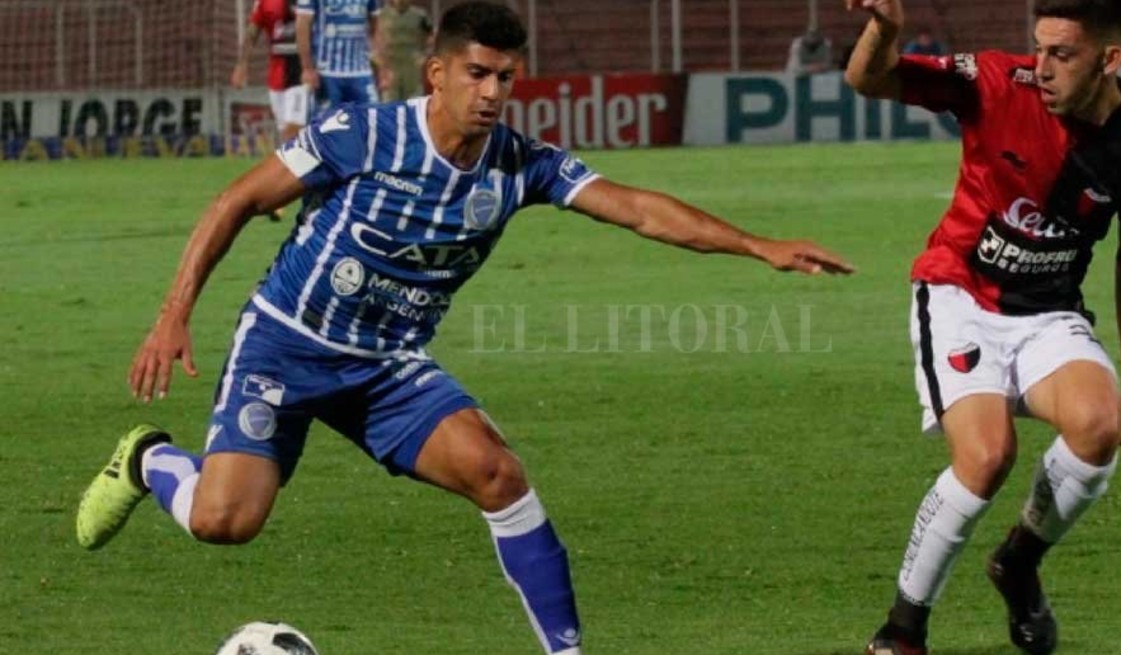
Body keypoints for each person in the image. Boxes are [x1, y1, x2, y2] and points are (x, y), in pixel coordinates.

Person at [74, 3, 854, 655]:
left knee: (498, 472)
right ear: (438, 72)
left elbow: (637, 207)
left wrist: (758, 245)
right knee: (224, 521)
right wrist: (173, 313)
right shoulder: (364, 133)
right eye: (476, 74)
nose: (490, 93)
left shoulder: (520, 163)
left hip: (385, 365)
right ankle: (150, 460)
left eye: (505, 78)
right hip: (286, 343)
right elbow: (235, 201)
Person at [841, 0, 1121, 654]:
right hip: (959, 293)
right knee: (987, 456)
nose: (1041, 66)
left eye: (1062, 54)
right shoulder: (997, 82)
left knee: (1099, 423)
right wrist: (885, 28)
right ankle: (903, 627)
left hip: (1049, 309)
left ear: (1110, 59)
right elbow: (867, 79)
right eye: (1039, 47)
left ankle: (1018, 561)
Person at [231, 0, 310, 144]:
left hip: (303, 72)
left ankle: (299, 163)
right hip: (277, 75)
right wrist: (241, 66)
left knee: (294, 129)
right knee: (285, 132)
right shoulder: (265, 3)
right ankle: (290, 163)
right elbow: (252, 33)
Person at [295, 0, 384, 116]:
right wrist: (307, 68)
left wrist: (383, 66)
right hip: (327, 73)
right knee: (326, 127)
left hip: (361, 72)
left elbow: (377, 26)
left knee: (372, 122)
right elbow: (302, 25)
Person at [377, 0, 435, 102]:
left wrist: (425, 54)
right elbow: (376, 37)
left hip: (411, 64)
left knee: (414, 100)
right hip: (391, 65)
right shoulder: (382, 15)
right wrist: (380, 63)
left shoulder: (419, 15)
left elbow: (432, 35)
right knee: (390, 101)